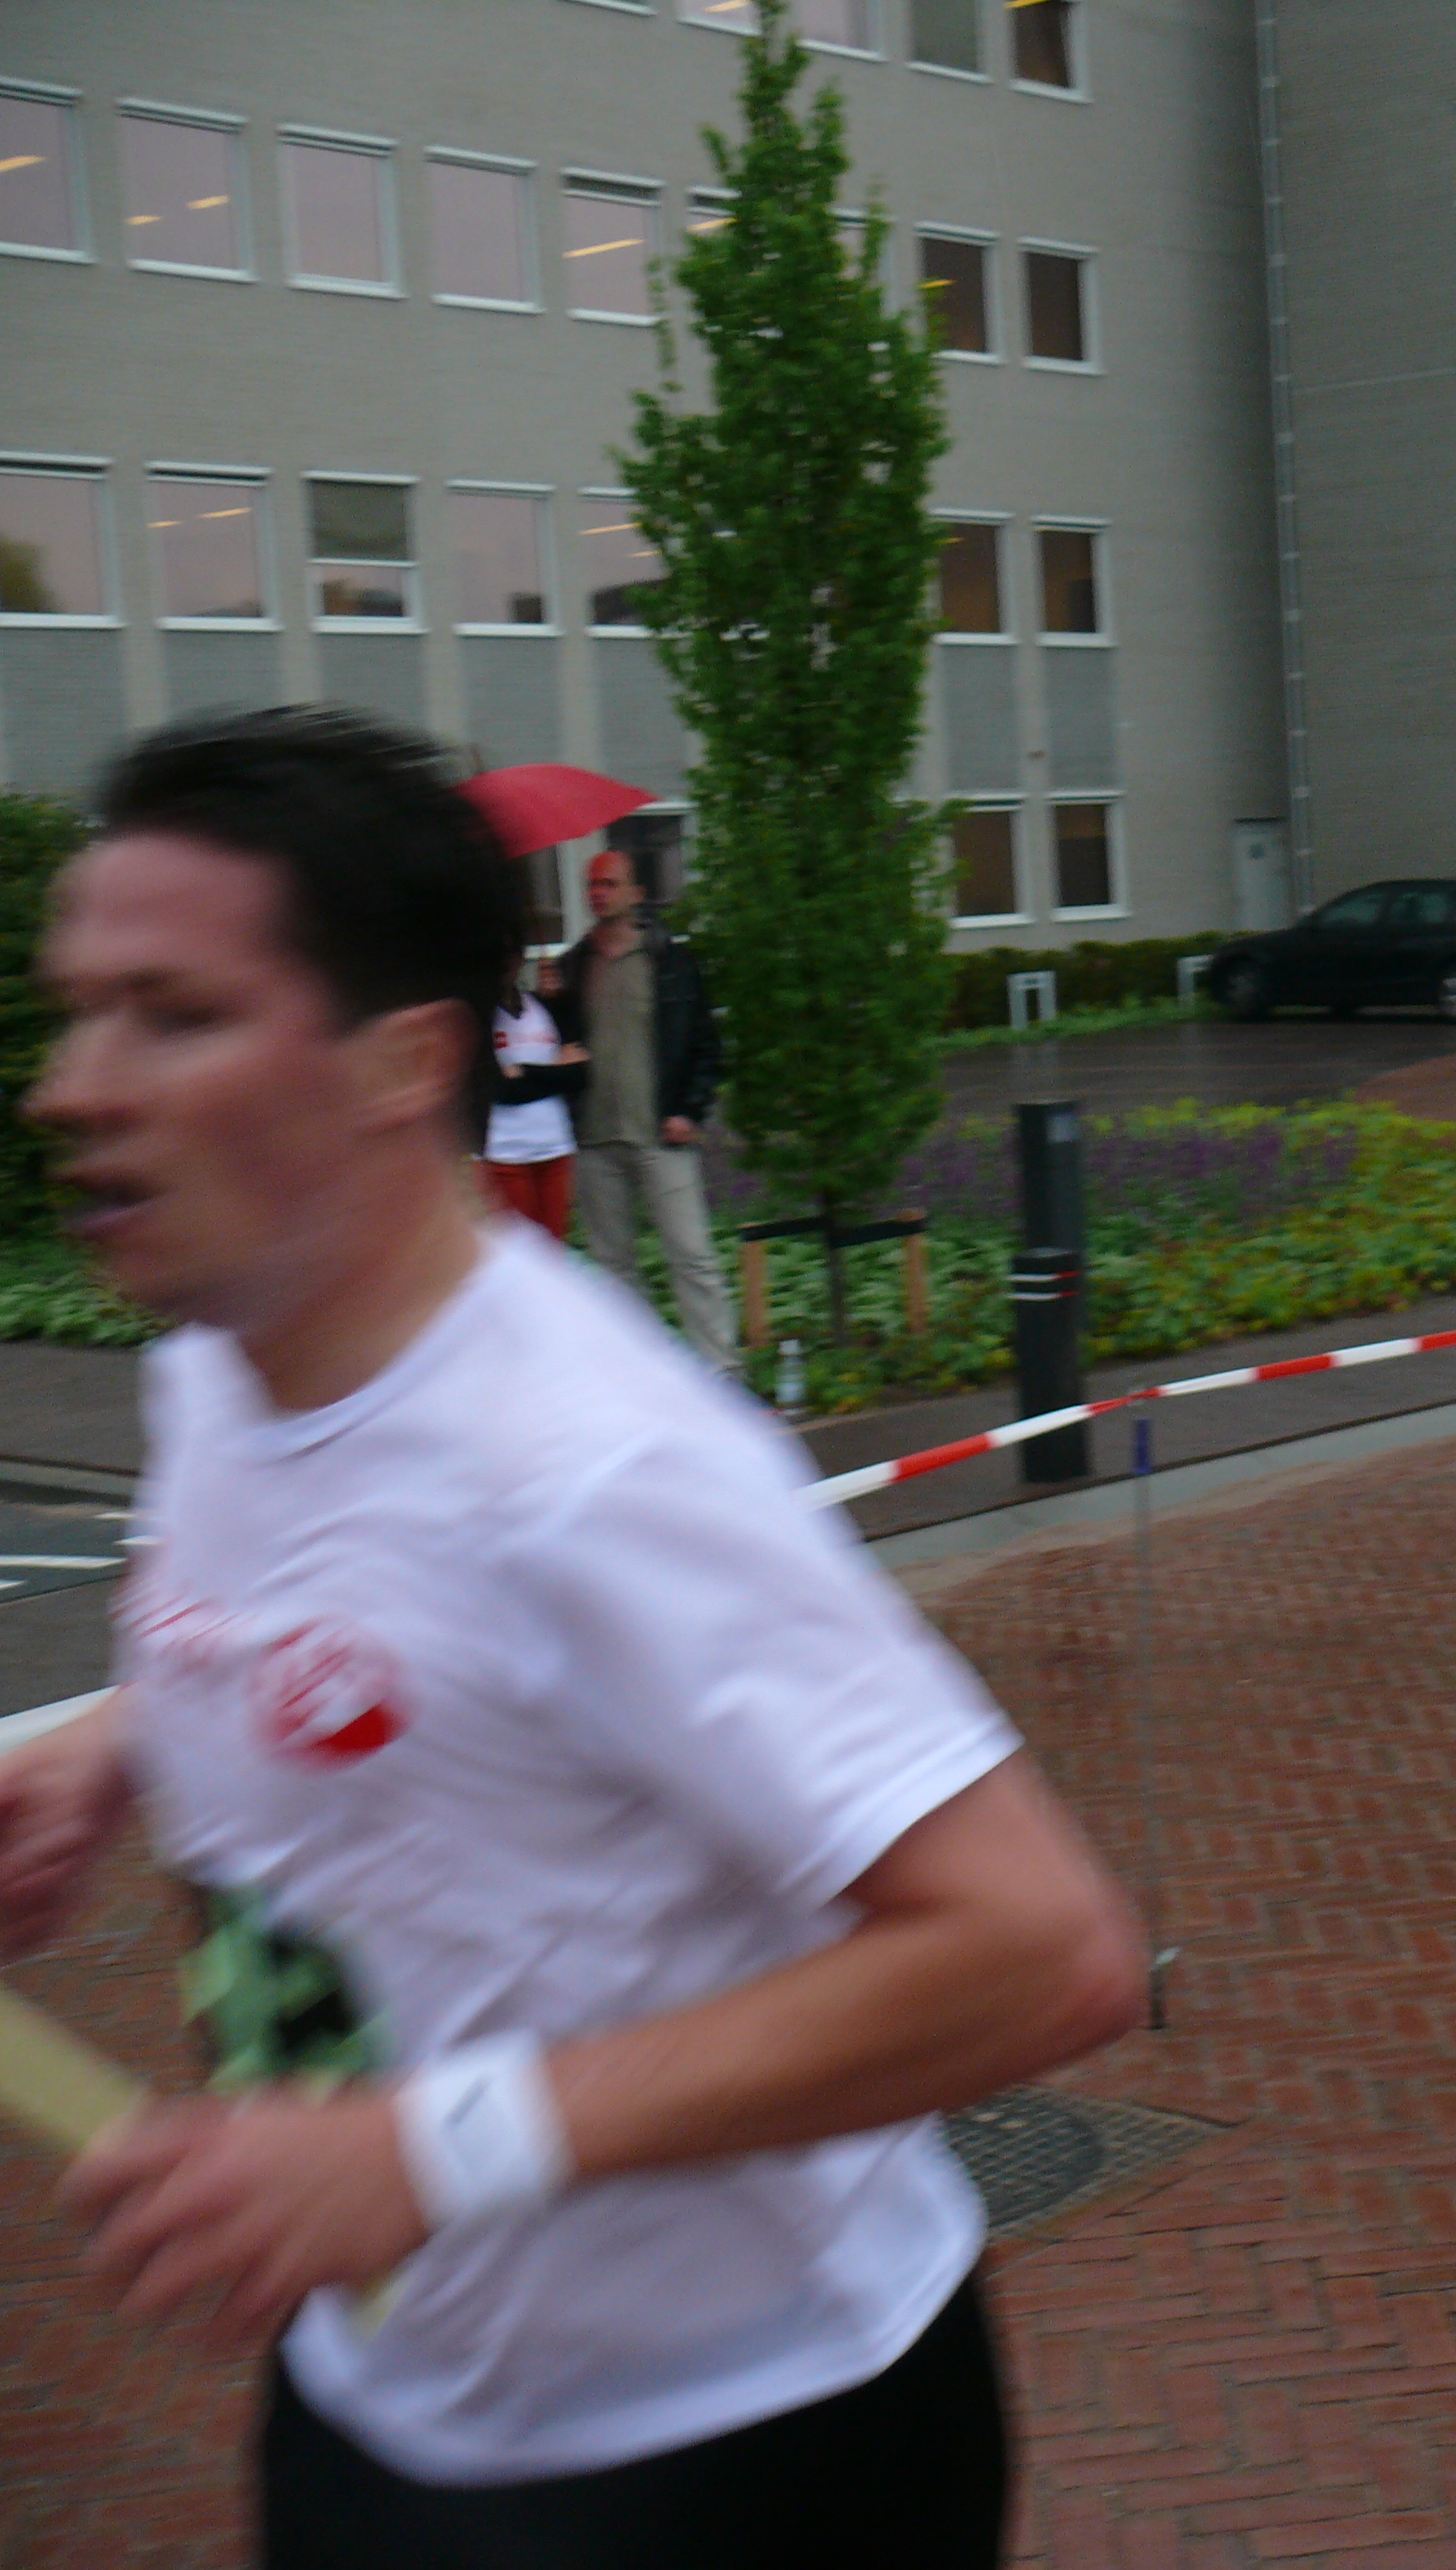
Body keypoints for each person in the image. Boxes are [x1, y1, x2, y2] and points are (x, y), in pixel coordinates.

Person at [6, 706, 1144, 2567]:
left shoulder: (597, 1470)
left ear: (402, 1061)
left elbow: (1045, 1954)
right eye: (77, 1013)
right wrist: (126, 1734)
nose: (74, 1084)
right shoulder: (222, 1363)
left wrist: (421, 2154)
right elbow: (372, 1608)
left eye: (175, 1015)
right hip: (381, 2388)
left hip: (730, 2449)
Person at [554, 837, 732, 1367]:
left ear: (636, 893)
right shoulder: (571, 968)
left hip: (660, 1134)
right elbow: (555, 1046)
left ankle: (720, 1370)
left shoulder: (671, 963)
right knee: (613, 1268)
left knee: (692, 1255)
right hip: (594, 1138)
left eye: (609, 884)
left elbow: (705, 1045)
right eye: (592, 884)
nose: (598, 893)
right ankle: (640, 1376)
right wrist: (550, 1006)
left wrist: (690, 1111)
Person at [479, 968, 585, 1241]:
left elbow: (578, 1076)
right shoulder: (479, 1013)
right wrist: (551, 1075)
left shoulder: (544, 1005)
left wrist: (524, 1071)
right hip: (504, 1151)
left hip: (555, 1146)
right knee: (521, 1250)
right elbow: (499, 1089)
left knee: (554, 1249)